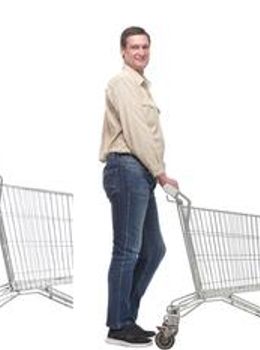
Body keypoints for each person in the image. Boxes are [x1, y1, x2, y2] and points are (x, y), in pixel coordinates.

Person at [100, 26, 174, 347]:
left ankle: (126, 315)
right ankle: (118, 324)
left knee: (154, 249)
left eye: (145, 47)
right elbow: (135, 132)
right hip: (128, 168)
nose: (141, 52)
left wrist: (154, 171)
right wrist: (160, 172)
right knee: (127, 250)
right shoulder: (122, 83)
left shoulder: (143, 87)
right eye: (134, 47)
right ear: (123, 51)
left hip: (140, 172)